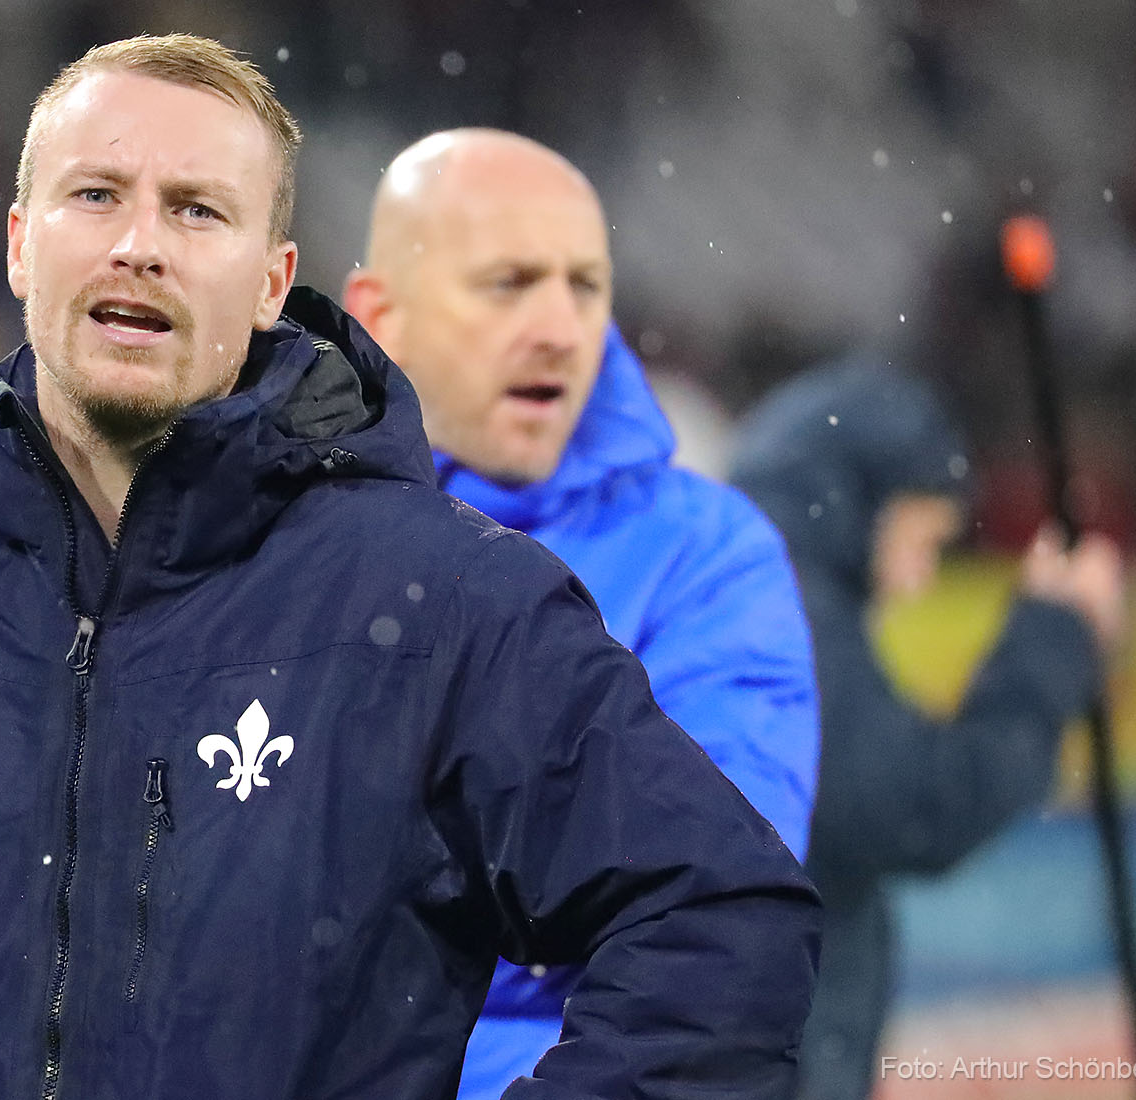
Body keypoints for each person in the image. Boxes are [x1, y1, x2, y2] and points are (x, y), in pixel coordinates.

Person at [0, 34, 820, 1100]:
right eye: (95, 195)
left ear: (273, 283)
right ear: (18, 245)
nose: (140, 245)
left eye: (196, 210)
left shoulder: (454, 605)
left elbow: (719, 919)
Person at [343, 129, 821, 1099]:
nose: (563, 328)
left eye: (586, 286)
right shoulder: (290, 534)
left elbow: (702, 923)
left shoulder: (708, 556)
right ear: (381, 315)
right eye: (510, 283)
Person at [727, 359, 1125, 1100]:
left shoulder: (745, 580)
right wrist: (1056, 633)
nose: (917, 582)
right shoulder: (780, 608)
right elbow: (912, 806)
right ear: (858, 503)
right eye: (921, 541)